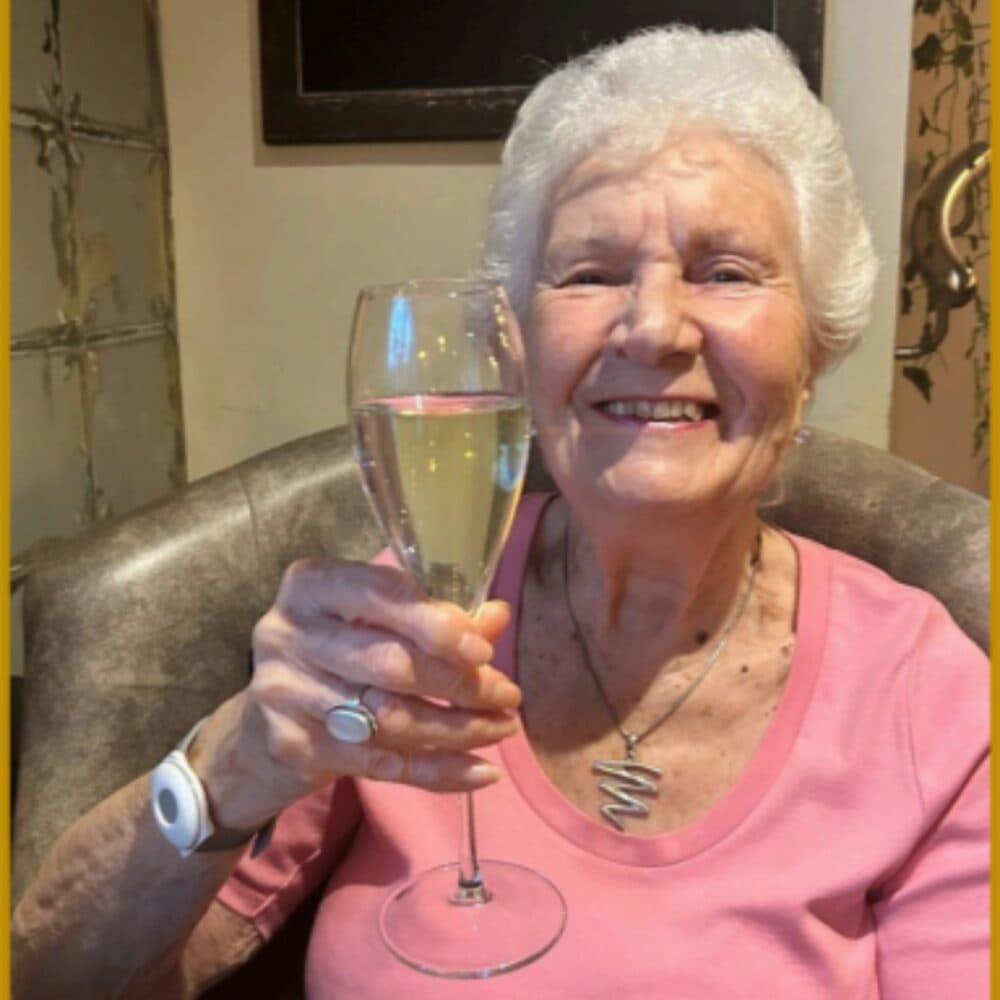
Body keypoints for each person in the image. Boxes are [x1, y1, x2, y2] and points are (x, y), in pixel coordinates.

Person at [12, 25, 988, 999]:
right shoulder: (393, 636)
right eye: (591, 273)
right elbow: (60, 978)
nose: (650, 326)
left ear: (815, 350)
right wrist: (237, 758)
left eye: (724, 271)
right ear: (520, 349)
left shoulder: (928, 697)